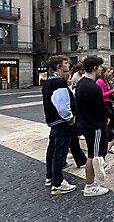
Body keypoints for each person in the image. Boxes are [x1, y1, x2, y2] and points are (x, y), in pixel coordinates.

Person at [75, 56, 111, 197]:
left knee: (93, 154)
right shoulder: (93, 87)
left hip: (85, 123)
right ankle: (89, 186)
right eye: (100, 67)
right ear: (95, 68)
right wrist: (107, 115)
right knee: (93, 156)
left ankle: (91, 184)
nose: (102, 69)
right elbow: (100, 107)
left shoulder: (81, 83)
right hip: (93, 125)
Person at [42, 55, 76, 195]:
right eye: (66, 63)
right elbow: (62, 106)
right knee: (59, 152)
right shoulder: (58, 83)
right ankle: (58, 183)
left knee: (52, 149)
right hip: (62, 122)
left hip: (54, 122)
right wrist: (70, 118)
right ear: (58, 66)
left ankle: (50, 176)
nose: (68, 66)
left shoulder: (49, 82)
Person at [96, 66, 114, 154]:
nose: (110, 74)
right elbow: (101, 94)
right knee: (107, 125)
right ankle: (107, 144)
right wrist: (112, 91)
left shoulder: (107, 81)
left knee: (111, 123)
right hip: (105, 103)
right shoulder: (100, 82)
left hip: (109, 103)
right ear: (103, 72)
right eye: (108, 72)